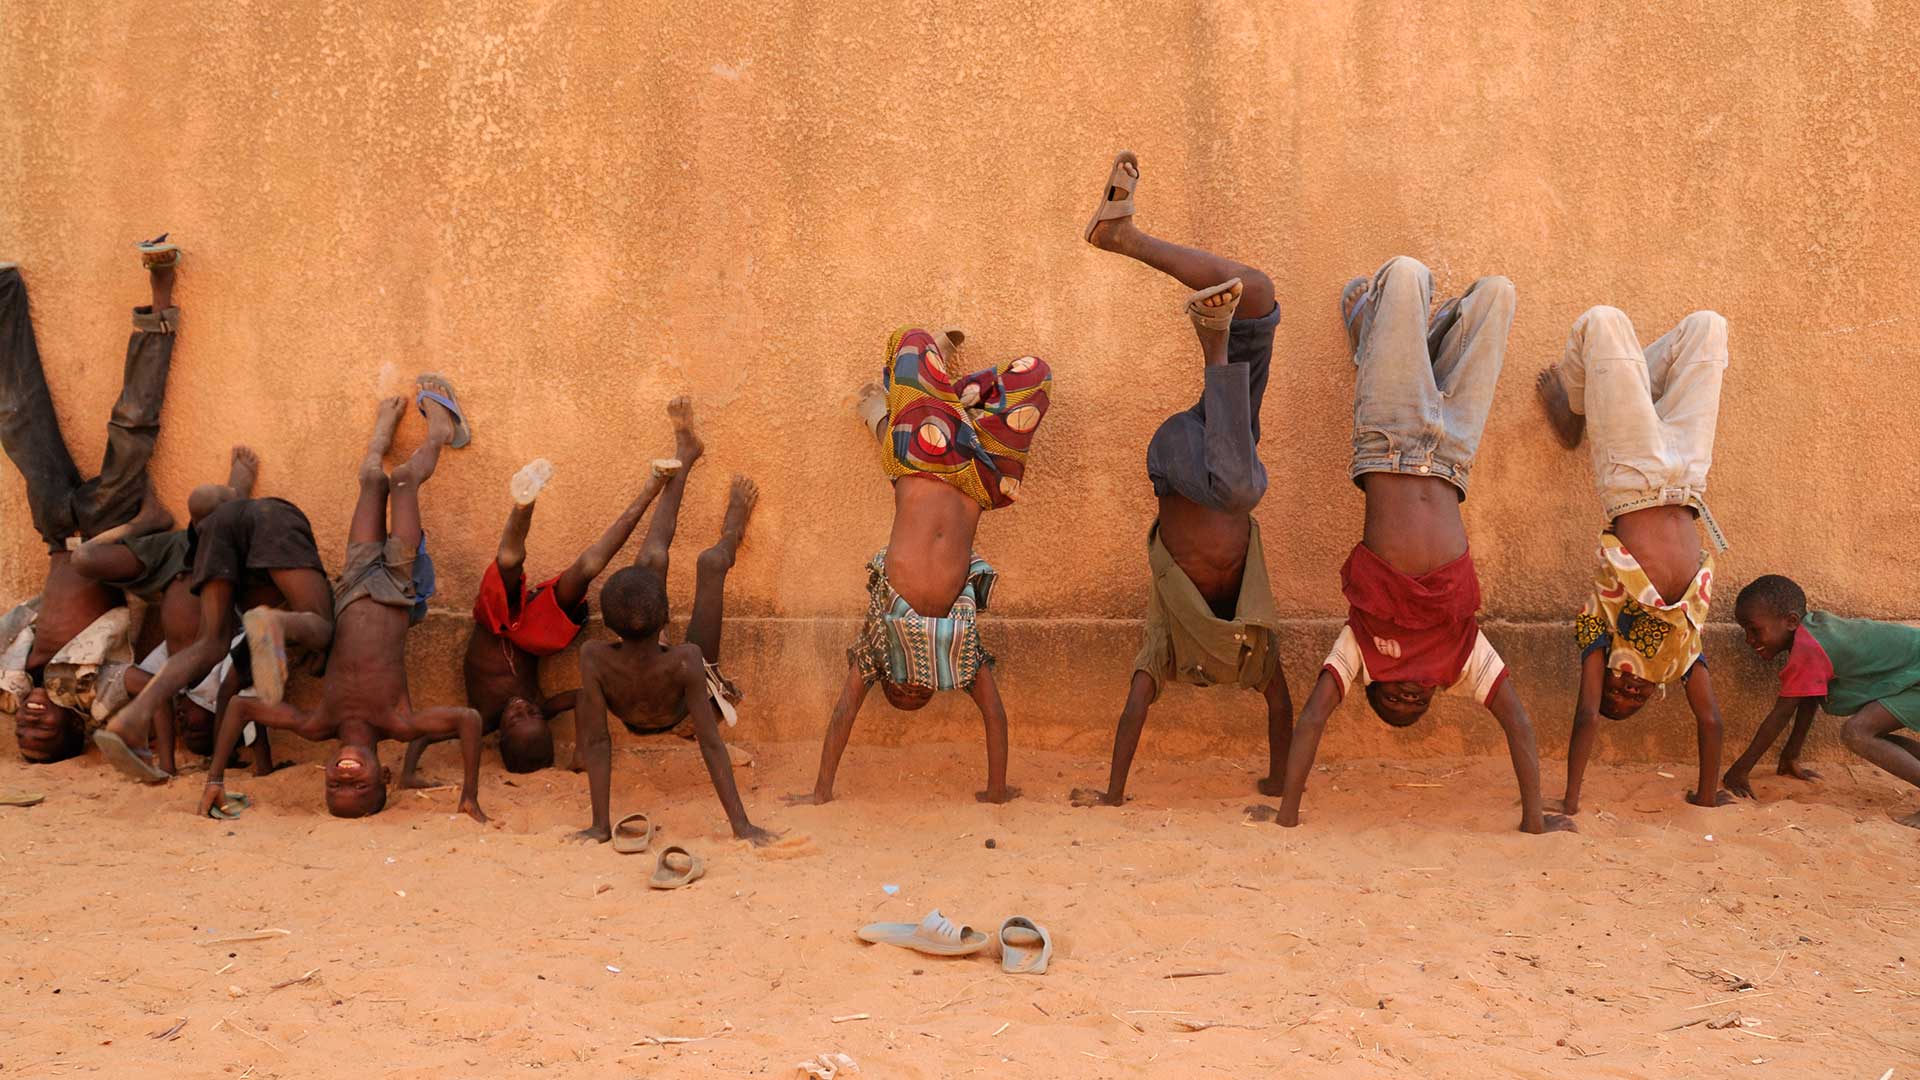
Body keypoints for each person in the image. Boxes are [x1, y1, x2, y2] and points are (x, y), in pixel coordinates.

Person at [1269, 256, 1571, 835]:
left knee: (1407, 274)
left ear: (1374, 683)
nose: (1408, 694)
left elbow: (1311, 720)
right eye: (1419, 704)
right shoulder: (1462, 656)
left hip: (1387, 440)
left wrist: (1286, 814)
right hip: (1454, 452)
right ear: (1438, 690)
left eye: (1393, 701)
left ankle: (1376, 339)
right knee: (1499, 293)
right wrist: (1536, 821)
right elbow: (1519, 725)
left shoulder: (1361, 645)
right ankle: (1386, 345)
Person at [1065, 151, 1294, 808]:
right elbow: (1282, 711)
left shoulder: (1169, 645)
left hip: (1176, 458)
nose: (1230, 647)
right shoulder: (1257, 651)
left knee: (1242, 491)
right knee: (1260, 294)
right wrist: (1279, 784)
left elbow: (1136, 705)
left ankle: (1213, 342)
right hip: (1222, 439)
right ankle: (1124, 235)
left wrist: (1113, 795)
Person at [787, 322, 1051, 806]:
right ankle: (950, 402)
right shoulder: (961, 654)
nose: (909, 689)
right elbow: (994, 716)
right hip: (980, 478)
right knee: (1035, 376)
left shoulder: (876, 642)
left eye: (898, 692)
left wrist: (820, 791)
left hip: (921, 459)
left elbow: (845, 709)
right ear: (935, 681)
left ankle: (921, 402)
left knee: (911, 341)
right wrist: (996, 791)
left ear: (888, 675)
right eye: (918, 694)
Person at [196, 390, 486, 821]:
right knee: (404, 479)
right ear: (383, 775)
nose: (345, 775)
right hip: (397, 583)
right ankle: (441, 431)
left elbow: (240, 706)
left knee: (372, 478)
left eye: (335, 785)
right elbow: (469, 719)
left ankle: (378, 438)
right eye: (359, 784)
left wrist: (215, 780)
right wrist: (469, 793)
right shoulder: (400, 723)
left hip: (351, 585)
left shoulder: (317, 724)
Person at [401, 403, 689, 785]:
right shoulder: (540, 705)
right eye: (534, 717)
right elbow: (584, 698)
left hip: (496, 622)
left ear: (498, 734)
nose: (523, 708)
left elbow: (421, 736)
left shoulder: (478, 719)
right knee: (588, 568)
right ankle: (651, 485)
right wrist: (581, 754)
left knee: (508, 562)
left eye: (517, 718)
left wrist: (407, 775)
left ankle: (523, 505)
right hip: (535, 634)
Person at [1536, 306, 1734, 813]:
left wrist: (1571, 801)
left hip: (1632, 480)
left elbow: (1585, 717)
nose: (1625, 689)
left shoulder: (1599, 633)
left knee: (1603, 321)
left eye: (1614, 695)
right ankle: (1613, 395)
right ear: (1653, 695)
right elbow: (1710, 721)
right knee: (1708, 328)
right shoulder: (1682, 655)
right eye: (1634, 699)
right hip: (1690, 478)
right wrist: (1707, 796)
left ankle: (1576, 409)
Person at [0, 238, 181, 764]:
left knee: (15, 420)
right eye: (44, 735)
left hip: (55, 530)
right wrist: (147, 746)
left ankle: (5, 290)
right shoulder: (95, 691)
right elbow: (154, 682)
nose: (30, 724)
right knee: (132, 425)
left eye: (22, 737)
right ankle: (160, 298)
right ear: (73, 730)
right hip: (108, 527)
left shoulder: (13, 672)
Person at [567, 400, 773, 845]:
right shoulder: (685, 659)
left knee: (657, 556)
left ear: (611, 623)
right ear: (665, 619)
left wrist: (600, 826)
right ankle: (729, 528)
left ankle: (685, 457)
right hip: (674, 710)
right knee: (712, 562)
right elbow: (709, 741)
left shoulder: (594, 654)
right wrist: (741, 825)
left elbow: (599, 743)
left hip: (657, 691)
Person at [1724, 575, 1920, 827]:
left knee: (1857, 733)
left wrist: (1740, 770)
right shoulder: (1813, 634)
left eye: (1754, 629)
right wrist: (1791, 754)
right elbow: (1808, 699)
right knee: (1870, 732)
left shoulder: (1810, 647)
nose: (1749, 639)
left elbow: (1781, 714)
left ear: (1791, 621)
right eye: (1745, 631)